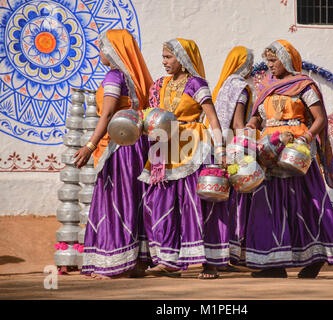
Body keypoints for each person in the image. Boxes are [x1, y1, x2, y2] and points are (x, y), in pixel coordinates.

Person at [243, 39, 333, 278]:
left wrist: (306, 138)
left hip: (295, 150)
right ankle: (274, 264)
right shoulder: (265, 86)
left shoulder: (304, 86)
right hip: (268, 151)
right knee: (269, 203)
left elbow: (320, 119)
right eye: (267, 60)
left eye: (274, 59)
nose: (270, 65)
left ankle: (316, 258)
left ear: (287, 60)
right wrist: (250, 125)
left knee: (305, 203)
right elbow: (258, 117)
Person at [138, 38, 227, 279]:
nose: (164, 61)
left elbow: (213, 119)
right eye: (163, 57)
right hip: (165, 149)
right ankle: (168, 261)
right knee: (161, 202)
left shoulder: (197, 84)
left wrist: (220, 151)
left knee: (196, 204)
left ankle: (209, 263)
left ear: (183, 59)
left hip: (192, 147)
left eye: (169, 57)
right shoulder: (160, 85)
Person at [74, 29, 153, 279]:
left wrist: (89, 145)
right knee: (135, 198)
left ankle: (114, 264)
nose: (100, 54)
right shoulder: (137, 80)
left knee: (116, 200)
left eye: (102, 48)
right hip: (139, 147)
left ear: (113, 51)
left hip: (118, 148)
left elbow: (107, 115)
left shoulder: (114, 77)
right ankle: (137, 263)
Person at [204, 46, 254, 271]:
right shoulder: (241, 87)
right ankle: (224, 257)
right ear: (244, 66)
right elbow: (237, 123)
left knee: (217, 203)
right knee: (231, 204)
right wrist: (246, 148)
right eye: (250, 64)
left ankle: (217, 255)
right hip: (231, 150)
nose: (251, 69)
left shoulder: (223, 85)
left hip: (213, 146)